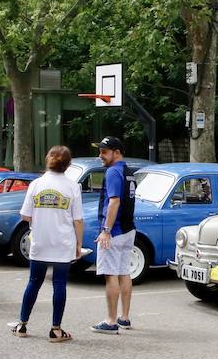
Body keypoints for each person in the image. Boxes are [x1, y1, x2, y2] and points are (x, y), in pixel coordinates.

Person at [13, 145, 84, 341]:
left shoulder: (36, 184)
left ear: (48, 160)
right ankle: (56, 329)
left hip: (40, 241)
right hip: (62, 242)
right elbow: (78, 220)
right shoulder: (72, 187)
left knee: (34, 282)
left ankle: (22, 324)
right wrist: (79, 243)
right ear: (68, 164)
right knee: (59, 284)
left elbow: (25, 215)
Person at [92, 136, 136, 334]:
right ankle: (124, 317)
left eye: (104, 152)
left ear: (116, 152)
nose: (100, 156)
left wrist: (106, 231)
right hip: (128, 229)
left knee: (111, 276)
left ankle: (110, 321)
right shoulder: (128, 171)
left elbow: (114, 201)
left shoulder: (113, 172)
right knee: (124, 271)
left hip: (115, 231)